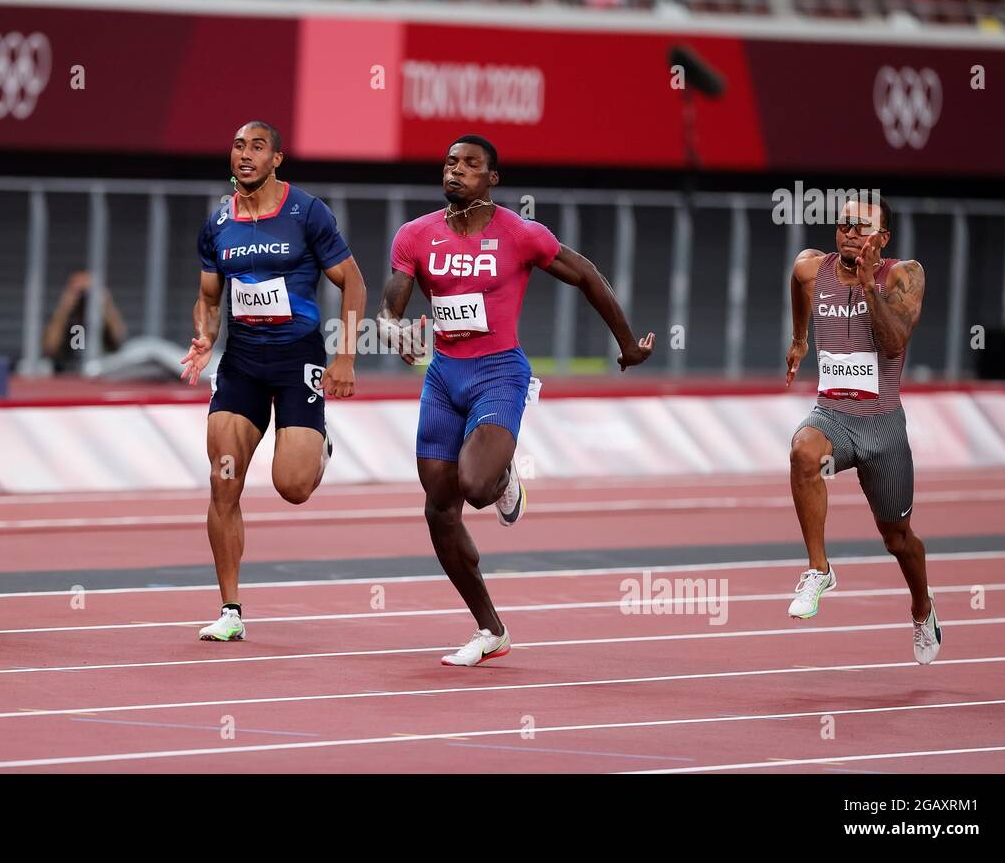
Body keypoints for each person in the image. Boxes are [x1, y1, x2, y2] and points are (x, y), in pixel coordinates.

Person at [377, 135, 654, 666]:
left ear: (492, 179)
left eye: (471, 165)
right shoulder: (416, 236)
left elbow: (586, 274)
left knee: (476, 487)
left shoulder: (520, 234)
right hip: (443, 377)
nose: (457, 170)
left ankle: (504, 479)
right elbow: (394, 303)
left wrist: (625, 343)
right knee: (439, 508)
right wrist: (392, 329)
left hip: (499, 372)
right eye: (451, 162)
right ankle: (490, 628)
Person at [181, 120, 366, 642]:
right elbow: (210, 297)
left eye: (257, 147)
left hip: (297, 361)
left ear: (277, 159)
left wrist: (346, 357)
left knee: (293, 486)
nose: (245, 154)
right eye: (238, 144)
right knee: (224, 482)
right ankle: (231, 610)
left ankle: (319, 442)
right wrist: (203, 337)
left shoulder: (306, 212)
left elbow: (351, 280)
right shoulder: (218, 220)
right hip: (241, 364)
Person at [785, 197, 939, 663]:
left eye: (861, 226)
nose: (849, 232)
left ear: (883, 239)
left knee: (898, 539)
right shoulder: (813, 268)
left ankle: (922, 606)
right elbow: (797, 284)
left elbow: (893, 342)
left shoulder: (902, 275)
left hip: (883, 428)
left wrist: (870, 285)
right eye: (843, 224)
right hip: (833, 416)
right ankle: (818, 570)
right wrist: (799, 339)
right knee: (803, 452)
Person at [41, 270, 128, 372]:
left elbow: (119, 338)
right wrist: (64, 307)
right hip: (67, 372)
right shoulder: (64, 318)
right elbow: (50, 348)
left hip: (101, 372)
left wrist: (105, 303)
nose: (83, 297)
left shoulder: (103, 318)